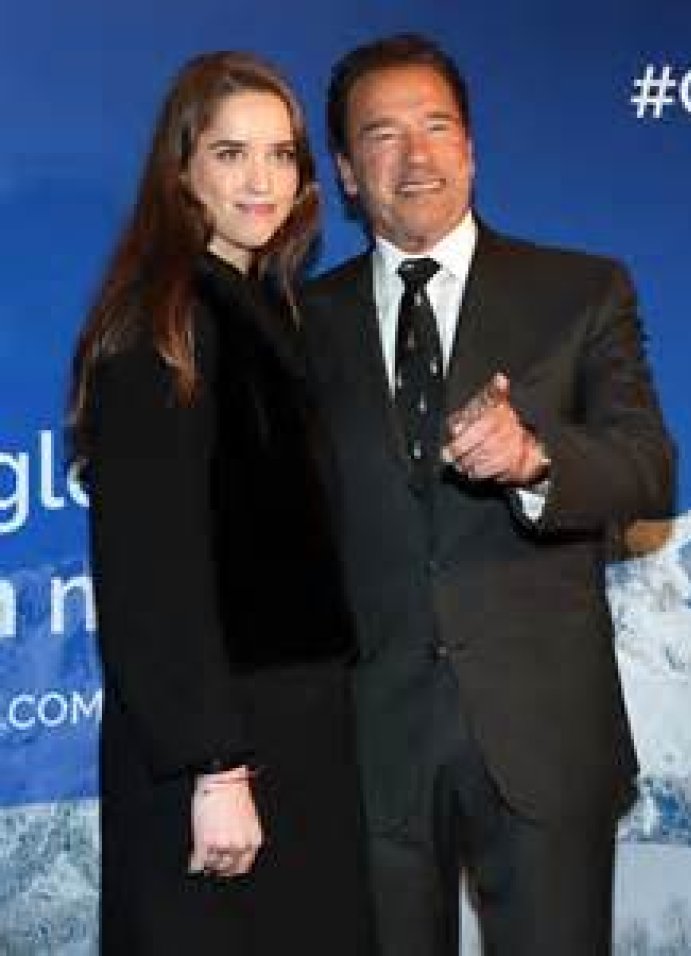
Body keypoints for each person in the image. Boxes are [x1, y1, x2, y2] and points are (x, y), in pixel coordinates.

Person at [302, 33, 675, 956]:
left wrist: (538, 459)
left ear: (470, 148)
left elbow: (647, 467)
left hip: (543, 741)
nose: (415, 156)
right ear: (346, 171)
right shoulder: (298, 325)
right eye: (382, 135)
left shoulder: (580, 290)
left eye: (437, 127)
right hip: (366, 750)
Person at [69, 51, 374, 956]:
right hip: (220, 742)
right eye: (231, 153)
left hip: (294, 729)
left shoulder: (259, 306)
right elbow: (150, 566)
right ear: (182, 170)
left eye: (280, 155)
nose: (260, 180)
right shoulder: (161, 323)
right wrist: (215, 765)